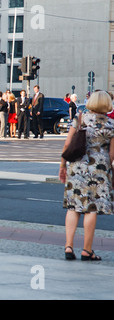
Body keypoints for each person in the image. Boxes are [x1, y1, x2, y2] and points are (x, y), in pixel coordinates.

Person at [60, 91, 114, 261]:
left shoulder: (80, 118)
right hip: (99, 170)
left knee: (73, 207)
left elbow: (68, 143)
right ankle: (87, 250)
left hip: (77, 167)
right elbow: (112, 154)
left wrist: (62, 165)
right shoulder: (112, 124)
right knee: (92, 208)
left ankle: (69, 246)